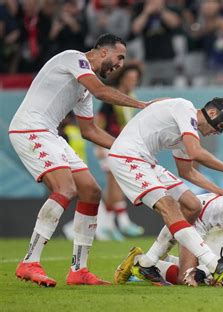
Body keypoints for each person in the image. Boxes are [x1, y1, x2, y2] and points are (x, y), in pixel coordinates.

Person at [9, 33, 154, 287]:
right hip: (29, 129)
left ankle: (79, 269)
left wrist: (128, 149)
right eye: (119, 57)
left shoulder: (85, 88)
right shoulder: (74, 59)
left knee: (91, 190)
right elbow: (100, 91)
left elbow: (90, 131)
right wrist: (141, 104)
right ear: (102, 52)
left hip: (50, 133)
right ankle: (29, 262)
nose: (120, 64)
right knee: (66, 188)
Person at [110, 97, 223, 285]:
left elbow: (187, 172)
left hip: (147, 161)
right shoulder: (185, 108)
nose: (218, 131)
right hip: (128, 157)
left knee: (192, 205)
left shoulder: (185, 133)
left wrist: (221, 191)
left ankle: (147, 263)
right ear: (212, 113)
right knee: (170, 206)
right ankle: (214, 264)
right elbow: (196, 152)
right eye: (220, 125)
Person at [94, 63, 145, 240]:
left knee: (113, 185)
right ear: (122, 78)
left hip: (122, 145)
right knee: (115, 181)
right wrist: (99, 145)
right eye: (130, 78)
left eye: (135, 79)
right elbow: (99, 120)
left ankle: (108, 225)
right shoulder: (113, 96)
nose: (132, 82)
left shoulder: (131, 97)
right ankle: (123, 221)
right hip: (108, 144)